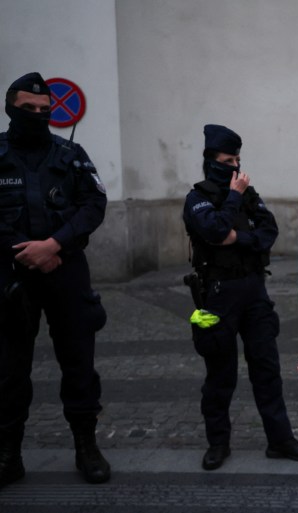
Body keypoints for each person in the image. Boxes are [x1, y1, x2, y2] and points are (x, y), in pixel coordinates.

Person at [182, 124, 298, 470]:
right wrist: (233, 200)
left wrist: (235, 237)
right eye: (228, 160)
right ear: (211, 160)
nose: (236, 167)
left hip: (254, 290)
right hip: (218, 295)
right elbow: (212, 231)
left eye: (238, 159)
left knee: (267, 369)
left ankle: (280, 439)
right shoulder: (197, 198)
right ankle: (218, 443)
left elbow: (268, 231)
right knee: (220, 375)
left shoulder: (249, 193)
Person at [0, 72, 110, 487]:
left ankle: (87, 447)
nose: (37, 116)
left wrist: (54, 245)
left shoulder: (71, 153)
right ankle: (8, 454)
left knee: (79, 365)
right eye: (28, 109)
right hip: (11, 275)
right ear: (10, 107)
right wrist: (27, 251)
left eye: (44, 111)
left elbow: (94, 203)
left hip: (66, 272)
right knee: (9, 370)